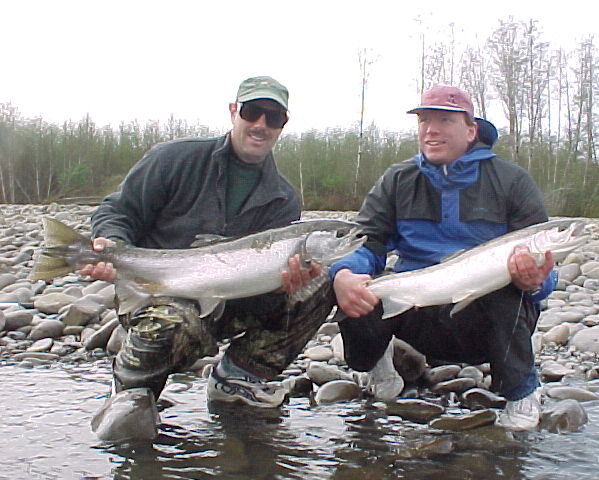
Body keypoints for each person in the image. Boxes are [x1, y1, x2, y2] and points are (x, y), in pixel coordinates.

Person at [80, 76, 333, 409]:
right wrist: (111, 244)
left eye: (273, 118)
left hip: (231, 299)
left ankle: (238, 377)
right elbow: (118, 210)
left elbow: (260, 294)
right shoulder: (174, 159)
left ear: (283, 125)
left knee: (321, 285)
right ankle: (131, 389)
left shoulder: (283, 198)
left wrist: (278, 287)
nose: (261, 125)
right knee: (169, 323)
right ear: (233, 112)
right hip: (161, 291)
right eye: (253, 112)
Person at [329, 85, 556, 431]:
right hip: (414, 308)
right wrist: (344, 272)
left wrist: (537, 280)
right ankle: (377, 364)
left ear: (470, 130)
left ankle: (522, 392)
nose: (431, 129)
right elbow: (368, 240)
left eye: (445, 120)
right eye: (425, 120)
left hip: (482, 318)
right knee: (350, 286)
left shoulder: (512, 181)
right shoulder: (397, 179)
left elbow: (546, 270)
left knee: (506, 286)